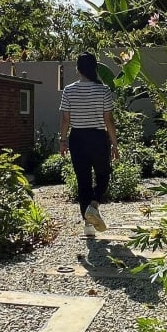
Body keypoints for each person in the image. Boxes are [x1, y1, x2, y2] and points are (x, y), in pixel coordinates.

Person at [59, 53, 120, 237]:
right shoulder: (103, 91)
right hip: (98, 137)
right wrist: (114, 144)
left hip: (77, 138)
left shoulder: (68, 90)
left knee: (83, 180)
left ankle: (88, 224)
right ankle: (94, 205)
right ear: (94, 69)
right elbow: (108, 119)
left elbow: (65, 119)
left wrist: (63, 141)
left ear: (78, 69)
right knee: (103, 174)